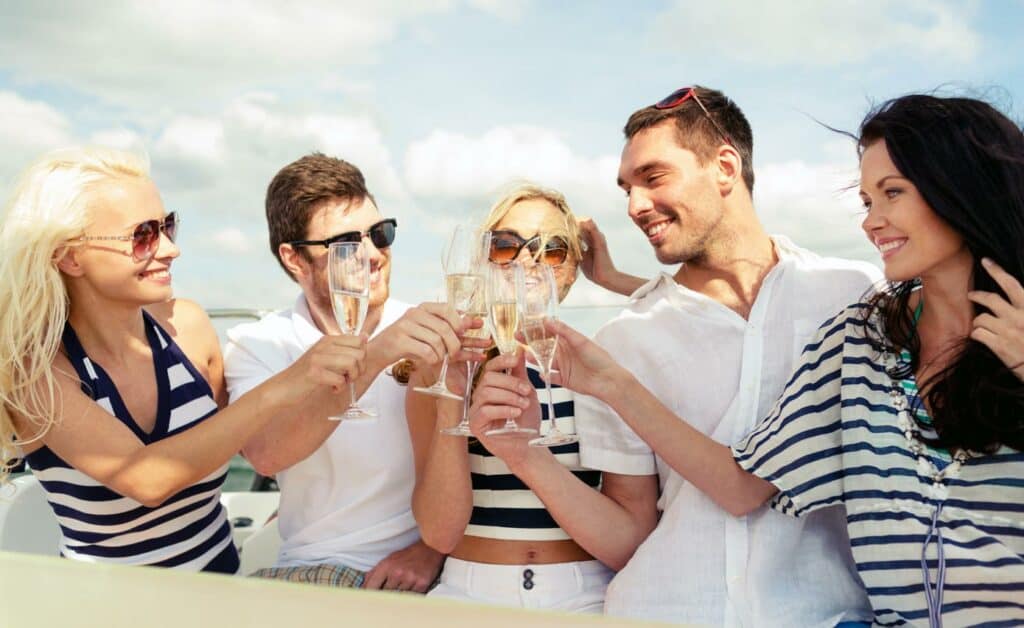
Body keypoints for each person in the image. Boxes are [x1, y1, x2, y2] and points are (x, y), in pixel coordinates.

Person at [482, 94, 1024, 626]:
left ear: (725, 166)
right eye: (866, 201)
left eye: (653, 177)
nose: (634, 206)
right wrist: (578, 409)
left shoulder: (847, 294)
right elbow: (737, 485)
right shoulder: (861, 332)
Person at [0, 147, 364, 573]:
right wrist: (286, 384)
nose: (171, 249)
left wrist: (295, 510)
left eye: (167, 226)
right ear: (70, 256)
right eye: (143, 235)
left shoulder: (188, 330)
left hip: (219, 592)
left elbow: (238, 441)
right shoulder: (36, 373)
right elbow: (147, 478)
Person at [223, 153, 472, 591]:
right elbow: (267, 454)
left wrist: (431, 551)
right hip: (313, 566)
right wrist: (376, 355)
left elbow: (472, 460)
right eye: (346, 243)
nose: (374, 254)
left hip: (426, 567)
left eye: (380, 233)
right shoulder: (259, 343)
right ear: (295, 259)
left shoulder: (427, 330)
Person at [407, 183, 641, 611]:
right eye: (506, 245)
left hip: (584, 596)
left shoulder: (604, 371)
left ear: (572, 270)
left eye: (552, 249)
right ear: (483, 259)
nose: (527, 259)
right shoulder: (441, 366)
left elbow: (629, 546)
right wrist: (453, 394)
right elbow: (439, 533)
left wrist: (525, 456)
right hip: (467, 594)